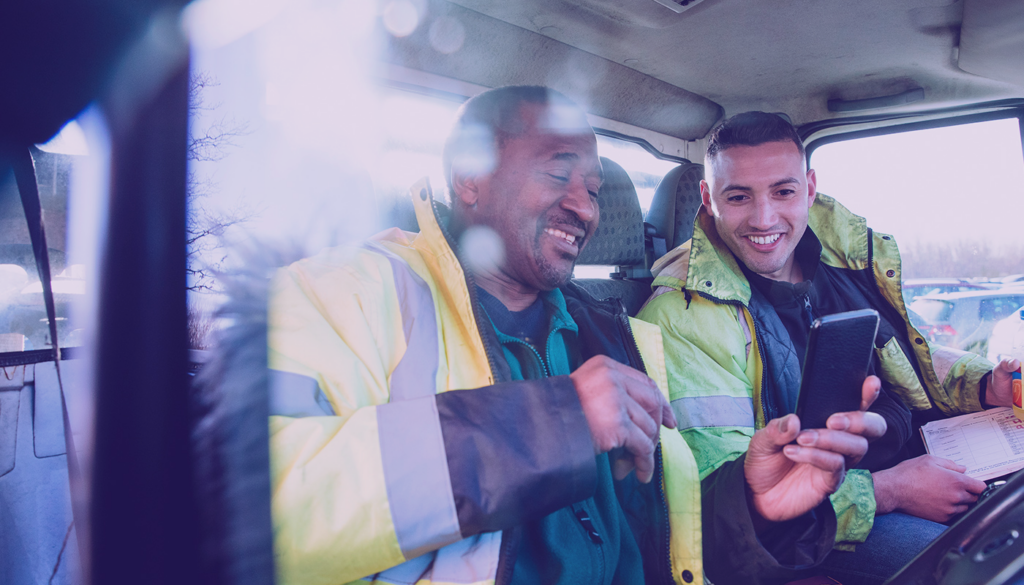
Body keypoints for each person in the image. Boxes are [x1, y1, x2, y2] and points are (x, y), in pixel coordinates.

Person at [267, 88, 885, 585]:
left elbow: (663, 545)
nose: (585, 208)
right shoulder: (342, 294)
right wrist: (556, 423)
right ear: (469, 178)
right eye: (558, 174)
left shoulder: (615, 336)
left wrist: (751, 505)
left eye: (592, 189)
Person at [638, 111, 1023, 585]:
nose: (764, 219)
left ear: (810, 188)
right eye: (738, 197)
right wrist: (890, 491)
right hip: (815, 529)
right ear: (707, 198)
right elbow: (730, 507)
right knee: (975, 568)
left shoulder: (843, 262)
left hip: (908, 462)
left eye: (783, 191)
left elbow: (908, 354)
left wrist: (984, 386)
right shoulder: (681, 315)